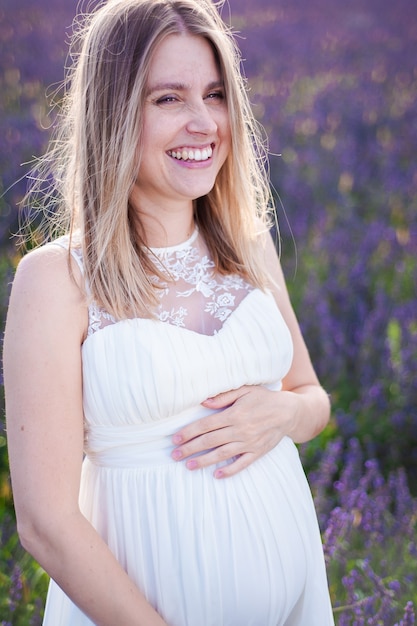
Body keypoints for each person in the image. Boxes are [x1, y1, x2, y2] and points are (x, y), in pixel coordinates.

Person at [4, 0, 335, 624]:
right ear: (114, 114)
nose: (204, 122)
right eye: (168, 99)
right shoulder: (57, 280)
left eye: (214, 95)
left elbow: (313, 397)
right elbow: (44, 523)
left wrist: (283, 412)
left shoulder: (249, 244)